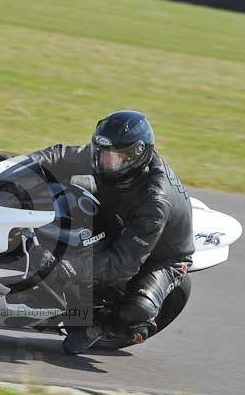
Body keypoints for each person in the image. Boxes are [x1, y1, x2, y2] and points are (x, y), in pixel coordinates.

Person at [27, 110, 194, 355]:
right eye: (100, 152)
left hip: (160, 256)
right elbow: (60, 156)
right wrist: (18, 165)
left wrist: (65, 266)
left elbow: (123, 263)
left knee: (140, 308)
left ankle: (100, 328)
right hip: (120, 215)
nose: (103, 161)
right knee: (59, 189)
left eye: (113, 157)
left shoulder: (155, 201)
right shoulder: (108, 157)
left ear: (137, 156)